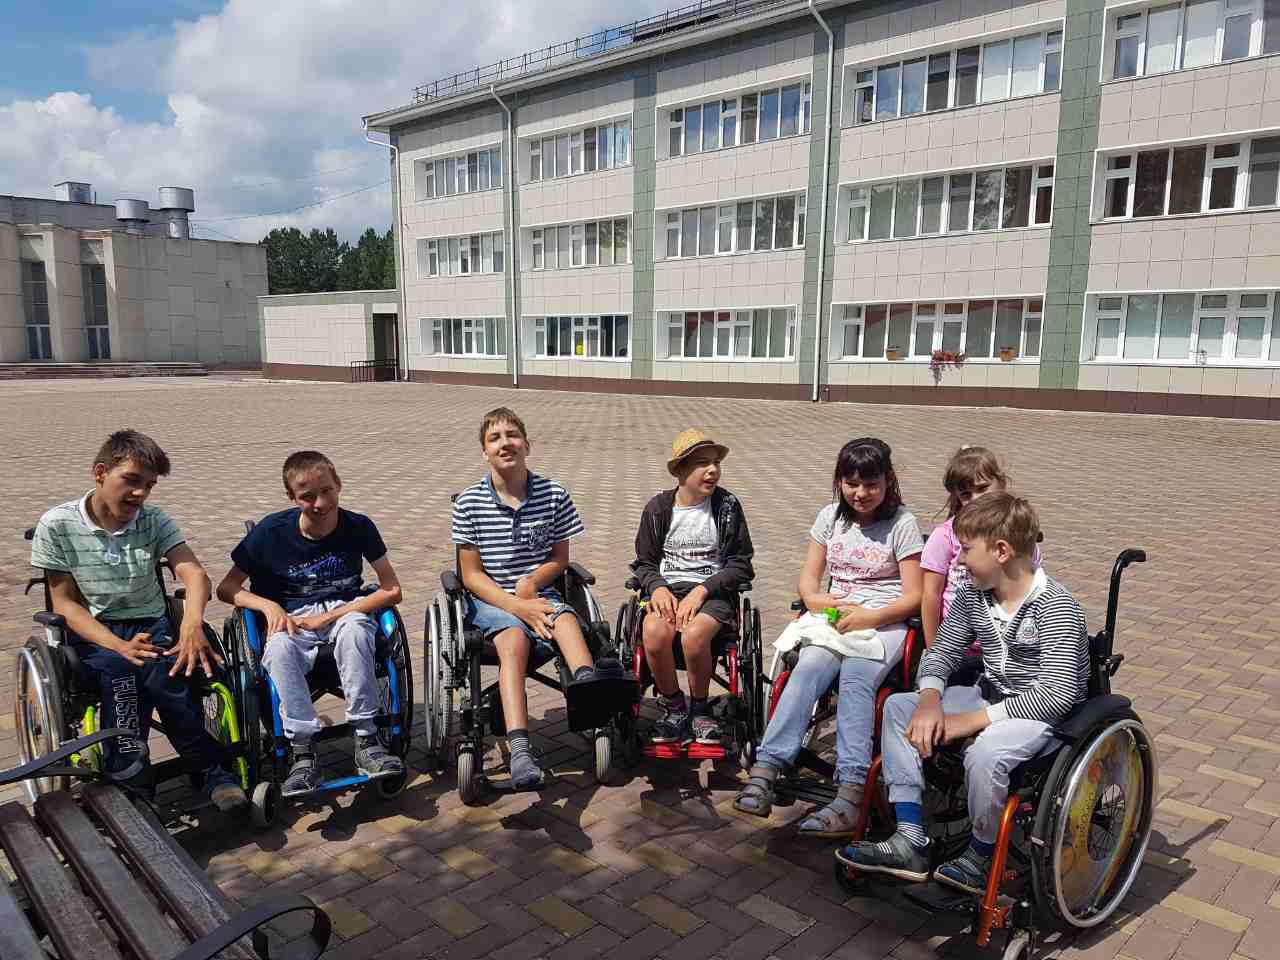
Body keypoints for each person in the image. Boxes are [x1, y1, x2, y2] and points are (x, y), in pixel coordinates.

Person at [836, 493, 1089, 895]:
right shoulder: (975, 595)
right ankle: (910, 837)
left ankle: (981, 854)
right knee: (899, 707)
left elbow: (1057, 694)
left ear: (1001, 551)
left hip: (1040, 715)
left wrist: (970, 722)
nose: (959, 560)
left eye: (967, 550)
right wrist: (929, 701)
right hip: (990, 694)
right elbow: (942, 651)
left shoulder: (1056, 607)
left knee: (984, 754)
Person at [29, 429, 247, 811]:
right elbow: (65, 604)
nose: (140, 493)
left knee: (169, 673)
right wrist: (117, 645)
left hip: (152, 623)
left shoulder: (153, 520)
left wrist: (192, 624)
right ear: (100, 472)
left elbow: (195, 575)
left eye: (149, 485)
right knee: (122, 674)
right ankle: (136, 784)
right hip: (96, 632)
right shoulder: (57, 524)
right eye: (131, 480)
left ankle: (207, 774)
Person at [734, 438, 922, 836]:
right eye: (851, 483)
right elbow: (808, 578)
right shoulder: (830, 518)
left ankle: (851, 790)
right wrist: (815, 599)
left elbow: (914, 596)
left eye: (871, 484)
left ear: (888, 481)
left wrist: (871, 616)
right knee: (807, 670)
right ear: (839, 482)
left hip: (884, 621)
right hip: (836, 617)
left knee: (856, 681)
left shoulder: (902, 524)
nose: (861, 493)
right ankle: (767, 767)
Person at [217, 451, 405, 797]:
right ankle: (302, 750)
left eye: (326, 491)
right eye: (307, 496)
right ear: (292, 498)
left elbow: (392, 590)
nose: (320, 503)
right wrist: (267, 605)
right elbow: (227, 588)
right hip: (291, 615)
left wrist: (331, 615)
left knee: (356, 630)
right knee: (278, 648)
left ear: (339, 485)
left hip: (343, 609)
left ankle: (366, 737)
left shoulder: (359, 526)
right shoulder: (271, 531)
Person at [451, 407, 618, 790]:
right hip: (492, 601)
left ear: (527, 444)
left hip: (538, 592)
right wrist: (515, 605)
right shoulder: (469, 503)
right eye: (494, 438)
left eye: (512, 435)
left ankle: (588, 689)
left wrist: (531, 584)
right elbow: (470, 575)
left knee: (567, 619)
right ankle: (521, 750)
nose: (505, 443)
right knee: (513, 641)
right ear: (484, 451)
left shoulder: (554, 494)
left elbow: (560, 558)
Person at [631, 429, 754, 745]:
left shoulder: (726, 506)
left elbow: (741, 564)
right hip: (668, 590)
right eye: (702, 463)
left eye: (716, 463)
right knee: (654, 632)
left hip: (713, 592)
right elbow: (644, 562)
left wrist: (702, 591)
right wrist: (658, 587)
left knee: (695, 634)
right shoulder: (658, 509)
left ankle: (700, 709)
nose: (712, 470)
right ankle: (674, 705)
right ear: (680, 471)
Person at [921, 446, 1031, 649]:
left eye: (982, 488)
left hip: (1008, 647)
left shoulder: (1019, 534)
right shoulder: (945, 536)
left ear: (1002, 483)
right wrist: (933, 650)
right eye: (966, 494)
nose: (976, 499)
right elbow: (930, 595)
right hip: (956, 646)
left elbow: (1031, 587)